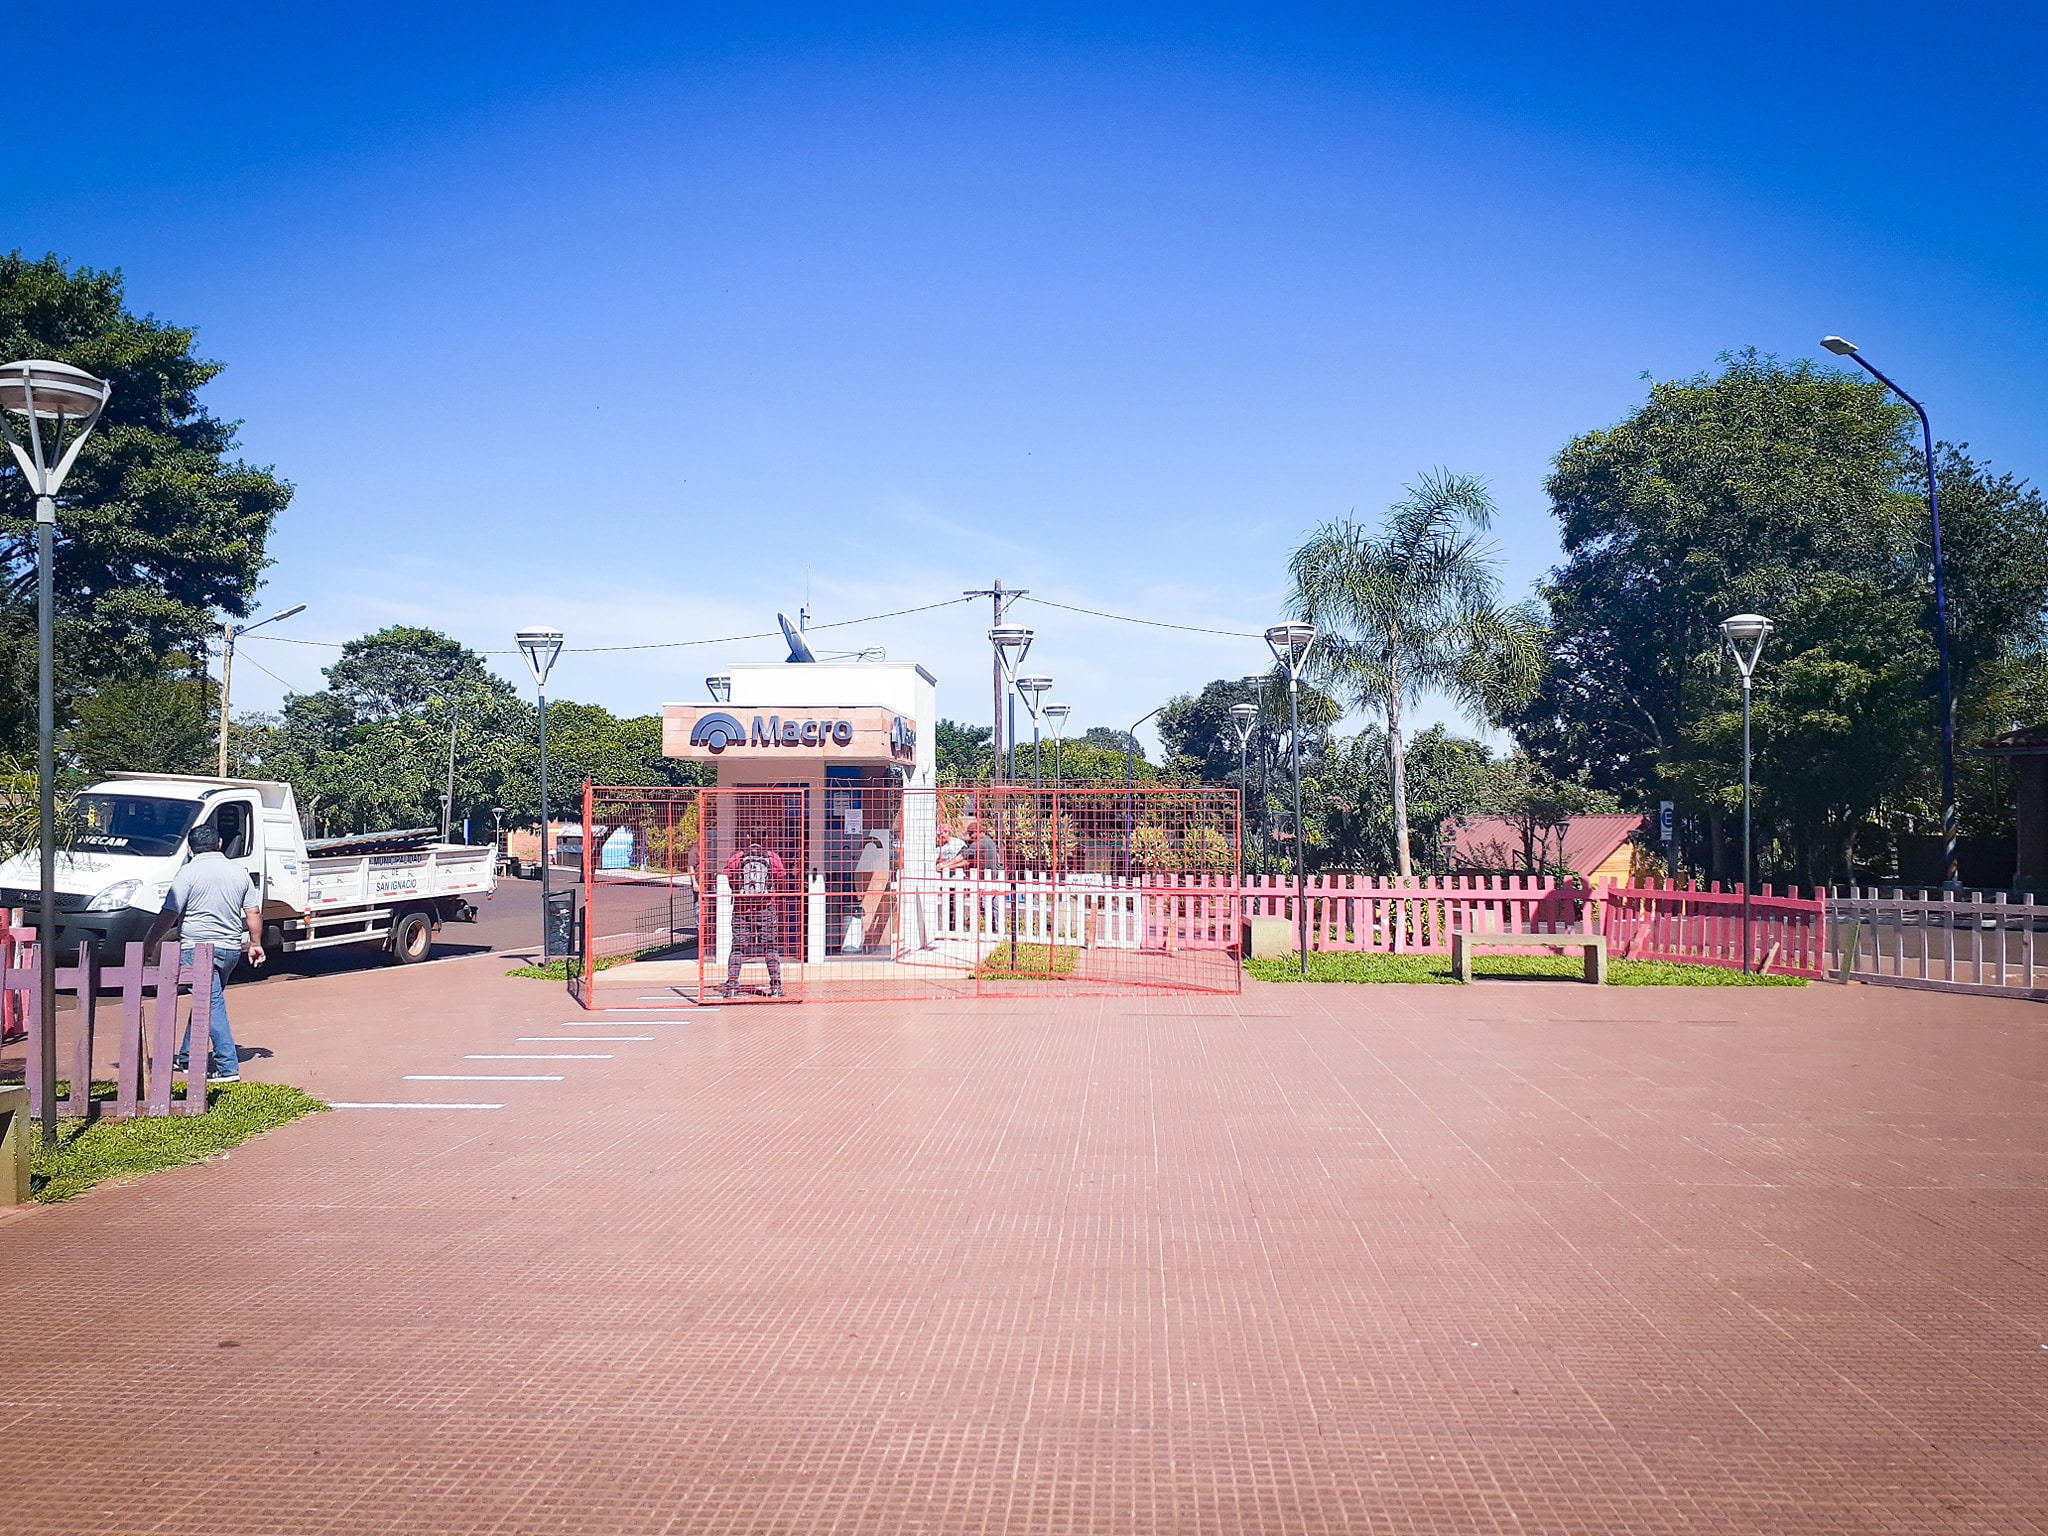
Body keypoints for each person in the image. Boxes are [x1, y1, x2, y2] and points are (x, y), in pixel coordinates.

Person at [146, 822, 264, 1083]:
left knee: (209, 1002)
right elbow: (252, 912)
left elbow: (170, 913)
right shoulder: (239, 872)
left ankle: (227, 1067)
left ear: (190, 848)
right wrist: (256, 943)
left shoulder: (187, 873)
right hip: (230, 948)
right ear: (219, 843)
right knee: (208, 999)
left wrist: (150, 943)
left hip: (197, 948)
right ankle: (187, 1056)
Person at [722, 825, 788, 998]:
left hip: (741, 909)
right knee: (770, 947)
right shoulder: (772, 858)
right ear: (766, 838)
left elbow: (728, 876)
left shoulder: (737, 857)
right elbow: (781, 876)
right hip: (766, 907)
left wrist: (739, 891)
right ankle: (776, 987)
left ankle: (733, 987)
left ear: (747, 836)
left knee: (737, 947)